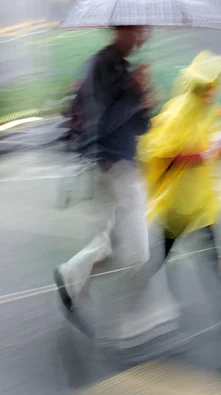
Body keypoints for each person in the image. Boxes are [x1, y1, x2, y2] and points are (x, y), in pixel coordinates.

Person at [137, 51, 221, 322]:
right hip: (178, 203)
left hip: (202, 201)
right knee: (161, 257)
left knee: (215, 254)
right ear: (198, 86)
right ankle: (132, 297)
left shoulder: (208, 113)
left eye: (215, 85)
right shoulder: (179, 110)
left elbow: (209, 148)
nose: (213, 91)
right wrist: (201, 156)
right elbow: (159, 151)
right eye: (209, 86)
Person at [54, 26, 155, 312]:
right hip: (109, 164)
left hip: (124, 161)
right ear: (120, 30)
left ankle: (71, 274)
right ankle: (139, 320)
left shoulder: (124, 68)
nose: (142, 39)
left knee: (118, 240)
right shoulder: (100, 66)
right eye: (137, 32)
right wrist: (134, 93)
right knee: (137, 249)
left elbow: (139, 126)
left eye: (144, 33)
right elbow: (102, 123)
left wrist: (146, 99)